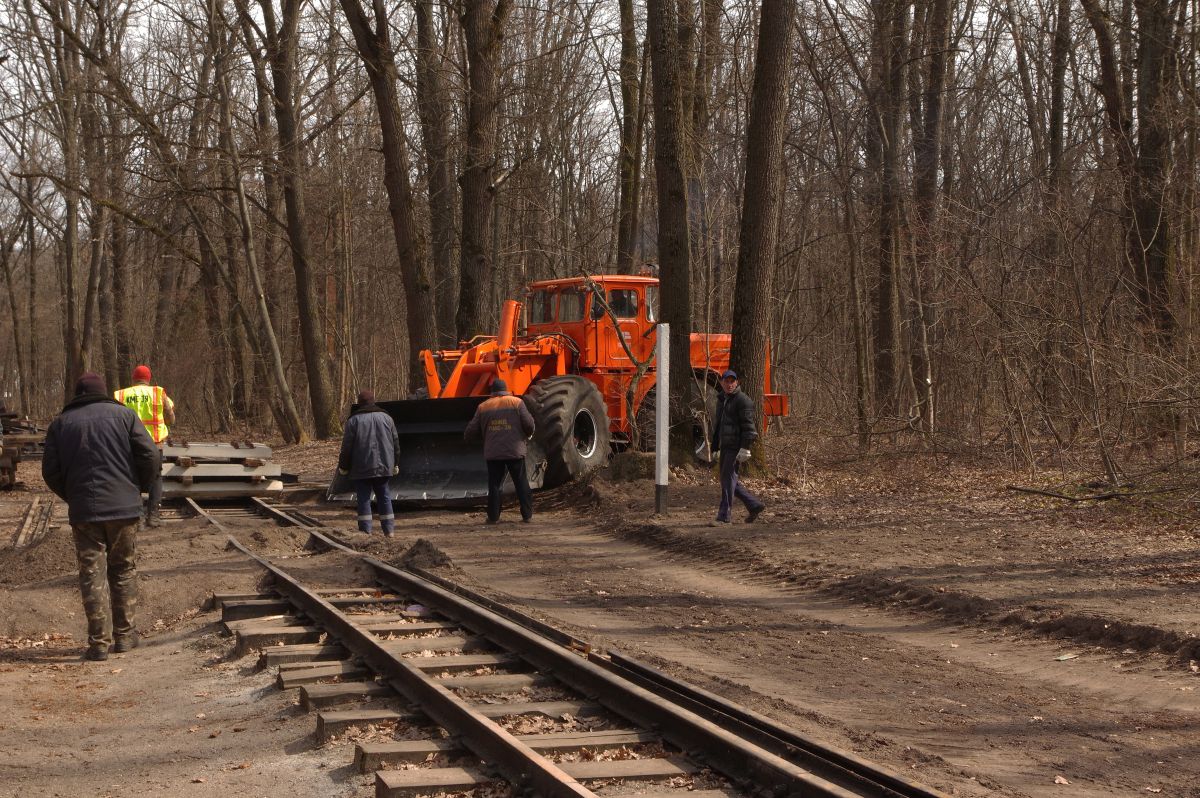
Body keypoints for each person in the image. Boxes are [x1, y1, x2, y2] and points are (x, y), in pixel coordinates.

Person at [43, 372, 160, 661]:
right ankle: (124, 637)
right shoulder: (125, 416)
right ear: (103, 392)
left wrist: (73, 494)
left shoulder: (60, 424)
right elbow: (151, 456)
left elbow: (50, 471)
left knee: (91, 573)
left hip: (84, 511)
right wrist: (139, 487)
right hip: (124, 508)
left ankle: (97, 643)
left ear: (77, 394)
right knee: (123, 569)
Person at [464, 378, 536, 524]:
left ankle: (493, 517)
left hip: (494, 453)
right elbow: (529, 424)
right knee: (521, 482)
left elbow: (471, 430)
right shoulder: (517, 402)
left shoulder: (483, 407)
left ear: (492, 391)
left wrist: (468, 439)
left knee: (495, 485)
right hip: (515, 451)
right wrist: (528, 433)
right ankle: (527, 515)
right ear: (506, 389)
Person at [114, 365, 174, 527]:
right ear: (148, 379)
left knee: (131, 478)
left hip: (129, 445)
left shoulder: (121, 395)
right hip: (155, 444)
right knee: (156, 478)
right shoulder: (158, 393)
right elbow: (170, 418)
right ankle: (153, 517)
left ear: (134, 379)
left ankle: (137, 518)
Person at [338, 390, 400, 536]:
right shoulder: (387, 418)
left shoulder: (353, 421)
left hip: (361, 467)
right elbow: (395, 443)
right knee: (384, 496)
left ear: (359, 404)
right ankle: (389, 531)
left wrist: (344, 466)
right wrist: (395, 463)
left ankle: (366, 532)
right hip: (384, 465)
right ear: (373, 401)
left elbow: (347, 447)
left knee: (363, 499)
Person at [708, 369, 766, 524]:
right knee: (728, 480)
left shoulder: (743, 401)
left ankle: (723, 516)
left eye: (732, 381)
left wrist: (745, 447)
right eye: (726, 381)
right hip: (725, 446)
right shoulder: (722, 399)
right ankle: (754, 505)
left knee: (727, 480)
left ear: (737, 382)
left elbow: (749, 428)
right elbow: (718, 425)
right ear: (721, 382)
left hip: (736, 447)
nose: (729, 384)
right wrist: (715, 447)